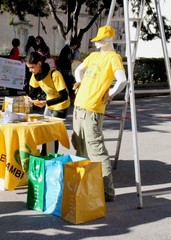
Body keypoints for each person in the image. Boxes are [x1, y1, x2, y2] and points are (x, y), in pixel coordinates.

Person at [71, 25, 127, 202]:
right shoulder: (93, 56)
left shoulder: (113, 57)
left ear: (109, 39)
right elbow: (78, 70)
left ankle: (107, 191)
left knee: (96, 150)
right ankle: (86, 183)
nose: (99, 43)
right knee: (79, 145)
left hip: (93, 108)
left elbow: (123, 80)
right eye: (98, 40)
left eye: (102, 39)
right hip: (79, 105)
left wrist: (109, 94)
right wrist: (79, 82)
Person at [25, 51, 70, 155]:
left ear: (39, 64)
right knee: (45, 131)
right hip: (49, 104)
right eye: (28, 67)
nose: (30, 70)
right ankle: (45, 154)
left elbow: (64, 96)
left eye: (32, 67)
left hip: (60, 105)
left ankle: (51, 157)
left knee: (53, 134)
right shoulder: (35, 75)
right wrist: (29, 98)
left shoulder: (55, 74)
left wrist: (46, 102)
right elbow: (32, 91)